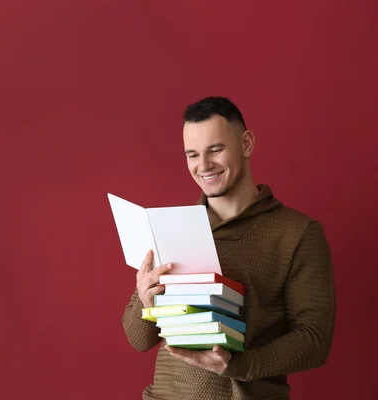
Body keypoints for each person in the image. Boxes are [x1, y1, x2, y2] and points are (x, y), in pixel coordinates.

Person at [122, 96, 336, 400]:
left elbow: (314, 340)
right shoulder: (169, 228)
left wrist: (239, 365)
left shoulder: (299, 234)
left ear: (246, 144)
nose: (203, 166)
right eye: (192, 154)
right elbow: (138, 340)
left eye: (216, 150)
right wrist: (146, 302)